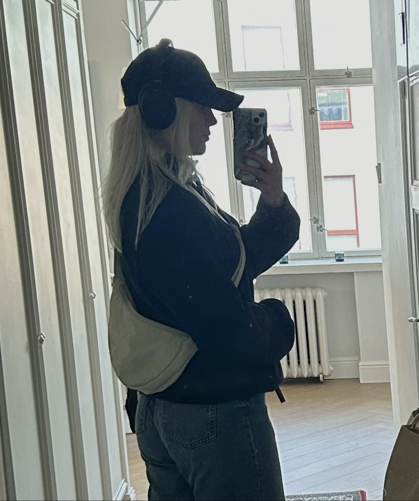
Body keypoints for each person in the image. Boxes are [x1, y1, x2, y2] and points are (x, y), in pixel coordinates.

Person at [103, 38, 300, 501]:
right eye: (202, 107)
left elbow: (230, 266)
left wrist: (273, 200)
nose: (213, 120)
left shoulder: (152, 194)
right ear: (162, 111)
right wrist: (278, 322)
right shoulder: (169, 209)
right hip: (212, 415)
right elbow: (224, 330)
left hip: (167, 408)